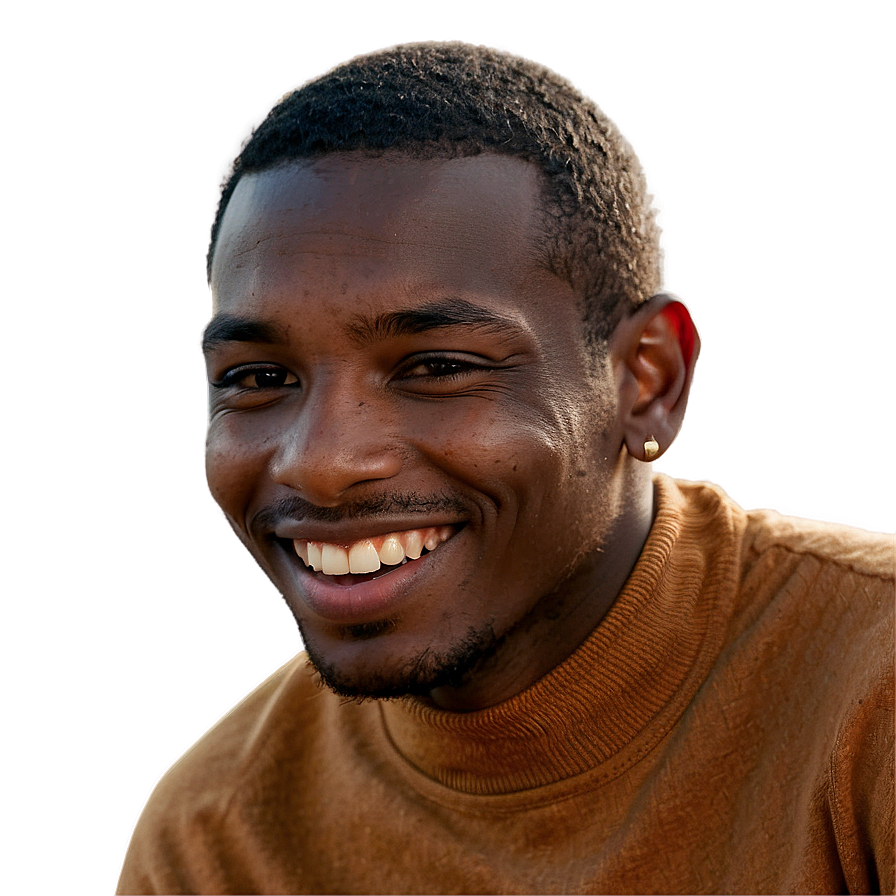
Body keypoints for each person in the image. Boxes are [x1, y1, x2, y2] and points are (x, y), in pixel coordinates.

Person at [117, 42, 894, 894]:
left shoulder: (867, 702)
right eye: (259, 380)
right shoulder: (217, 841)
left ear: (647, 379)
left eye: (437, 366)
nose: (324, 463)